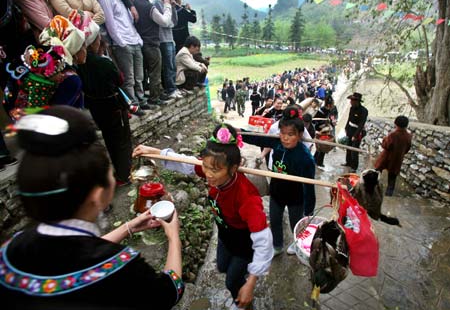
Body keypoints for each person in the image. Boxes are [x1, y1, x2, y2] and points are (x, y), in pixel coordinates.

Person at [0, 106, 184, 309]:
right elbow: (169, 291)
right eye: (110, 173)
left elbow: (71, 261)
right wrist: (174, 238)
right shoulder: (120, 268)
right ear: (97, 195)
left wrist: (128, 227)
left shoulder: (9, 250)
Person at [133, 124, 273, 310]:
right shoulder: (211, 169)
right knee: (222, 267)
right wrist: (154, 152)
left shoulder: (247, 197)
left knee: (232, 281)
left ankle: (244, 303)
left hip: (244, 244)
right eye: (205, 166)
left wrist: (251, 283)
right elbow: (186, 162)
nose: (208, 174)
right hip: (225, 235)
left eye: (214, 170)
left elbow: (264, 242)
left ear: (234, 168)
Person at [241, 107, 316, 256]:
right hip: (277, 193)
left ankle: (297, 244)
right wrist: (239, 132)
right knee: (275, 220)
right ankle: (277, 245)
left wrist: (309, 211)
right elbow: (257, 138)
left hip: (296, 197)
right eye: (282, 133)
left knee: (296, 223)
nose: (285, 138)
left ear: (300, 135)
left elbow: (309, 187)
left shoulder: (305, 158)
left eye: (290, 134)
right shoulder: (277, 143)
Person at [77, 17, 133, 186]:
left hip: (97, 109)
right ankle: (124, 176)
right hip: (113, 107)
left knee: (110, 139)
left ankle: (119, 172)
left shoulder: (79, 64)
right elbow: (120, 80)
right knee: (122, 142)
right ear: (94, 42)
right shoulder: (103, 63)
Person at [98, 0, 150, 112]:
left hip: (134, 40)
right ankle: (133, 104)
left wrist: (138, 39)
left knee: (139, 76)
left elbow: (128, 21)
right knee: (129, 77)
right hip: (123, 43)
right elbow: (110, 23)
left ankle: (141, 99)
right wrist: (121, 43)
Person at [134, 0, 173, 105]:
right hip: (151, 43)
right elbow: (165, 21)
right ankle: (155, 97)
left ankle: (148, 94)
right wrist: (167, 6)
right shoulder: (149, 6)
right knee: (155, 71)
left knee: (143, 73)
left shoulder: (135, 3)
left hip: (140, 42)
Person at [154, 0, 183, 100]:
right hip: (163, 39)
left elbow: (174, 22)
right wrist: (168, 20)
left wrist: (173, 8)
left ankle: (173, 87)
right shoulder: (157, 3)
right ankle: (170, 89)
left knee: (172, 65)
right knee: (167, 66)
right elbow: (165, 22)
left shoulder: (168, 3)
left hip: (170, 38)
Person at [374, 115, 412, 196]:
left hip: (386, 157)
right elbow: (407, 148)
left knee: (376, 172)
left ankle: (373, 188)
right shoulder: (408, 136)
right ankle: (389, 194)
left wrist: (384, 139)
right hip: (397, 159)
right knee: (392, 178)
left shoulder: (393, 135)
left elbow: (385, 145)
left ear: (396, 124)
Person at [342, 92, 368, 172]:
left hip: (357, 131)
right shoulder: (351, 108)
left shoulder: (364, 111)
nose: (351, 102)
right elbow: (349, 119)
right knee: (348, 147)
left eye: (352, 101)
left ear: (357, 101)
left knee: (354, 150)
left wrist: (355, 135)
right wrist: (346, 128)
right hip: (350, 129)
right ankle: (348, 162)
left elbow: (361, 124)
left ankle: (354, 166)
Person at [312, 97, 334, 168]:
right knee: (321, 147)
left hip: (325, 130)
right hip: (320, 131)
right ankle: (318, 162)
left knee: (321, 147)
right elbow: (314, 121)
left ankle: (316, 160)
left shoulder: (328, 110)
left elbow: (329, 119)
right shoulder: (321, 111)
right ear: (329, 105)